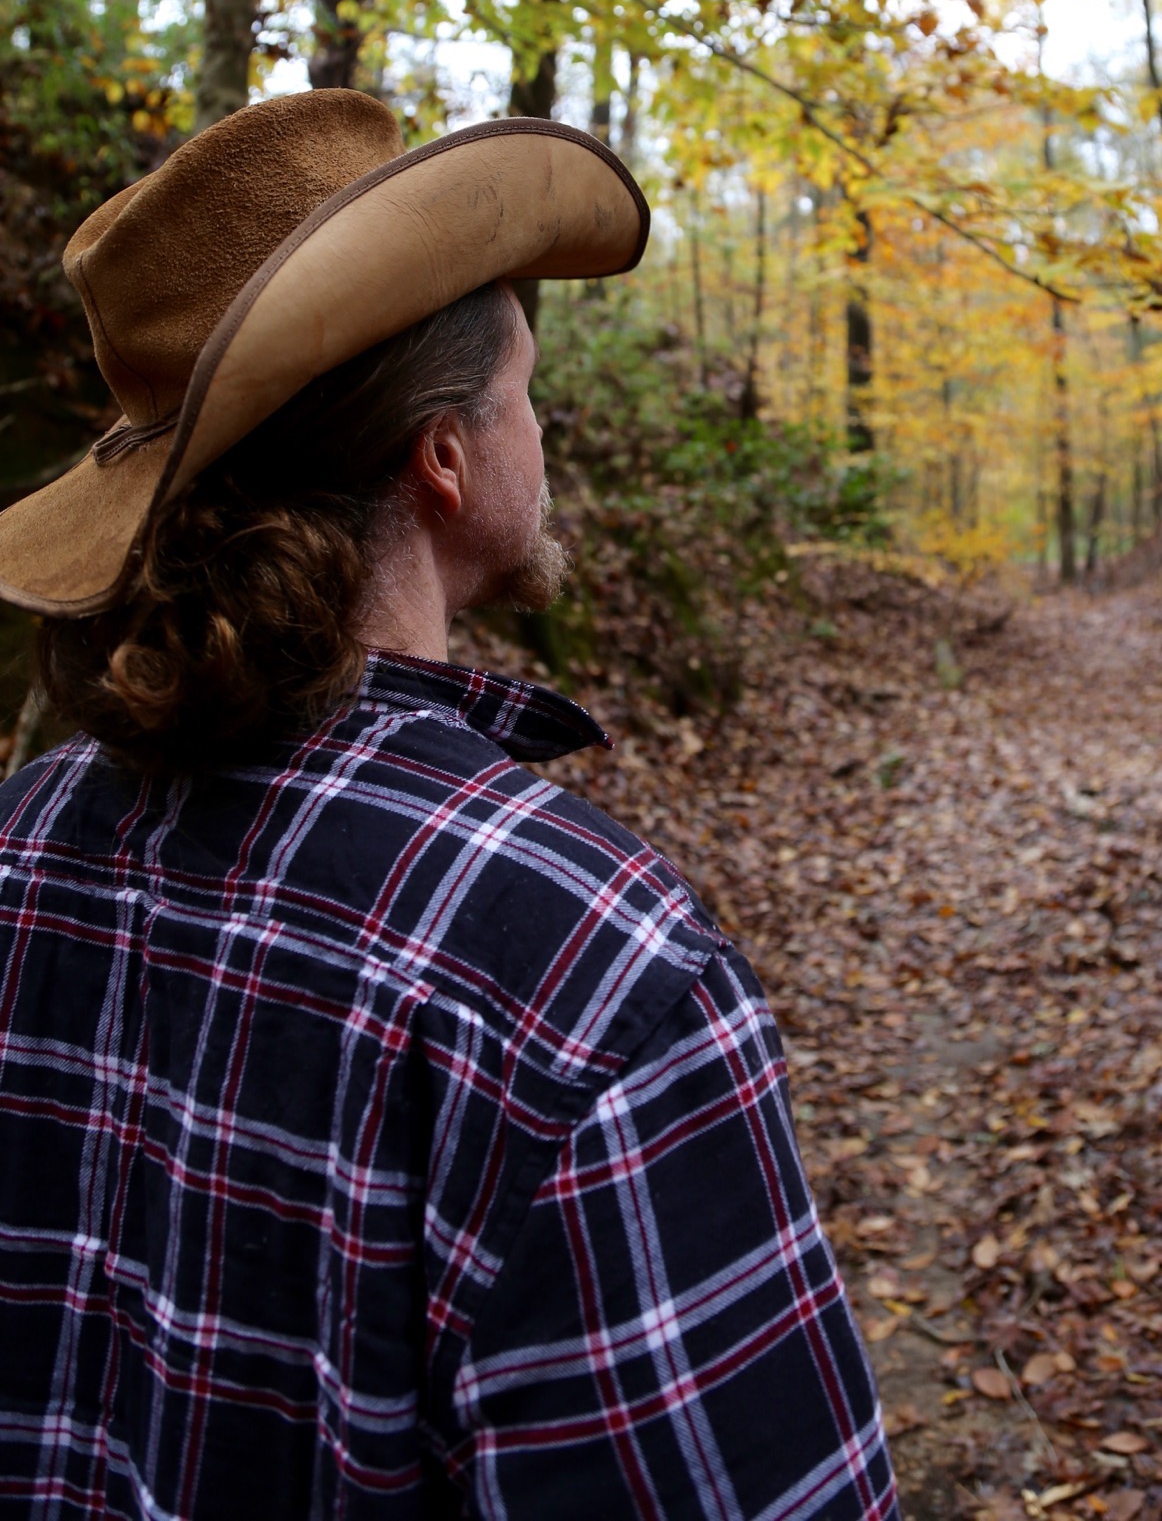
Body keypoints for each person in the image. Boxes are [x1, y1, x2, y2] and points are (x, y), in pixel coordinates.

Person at [0, 93, 895, 1519]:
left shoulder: (21, 838)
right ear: (446, 455)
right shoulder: (594, 965)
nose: (540, 429)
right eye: (524, 389)